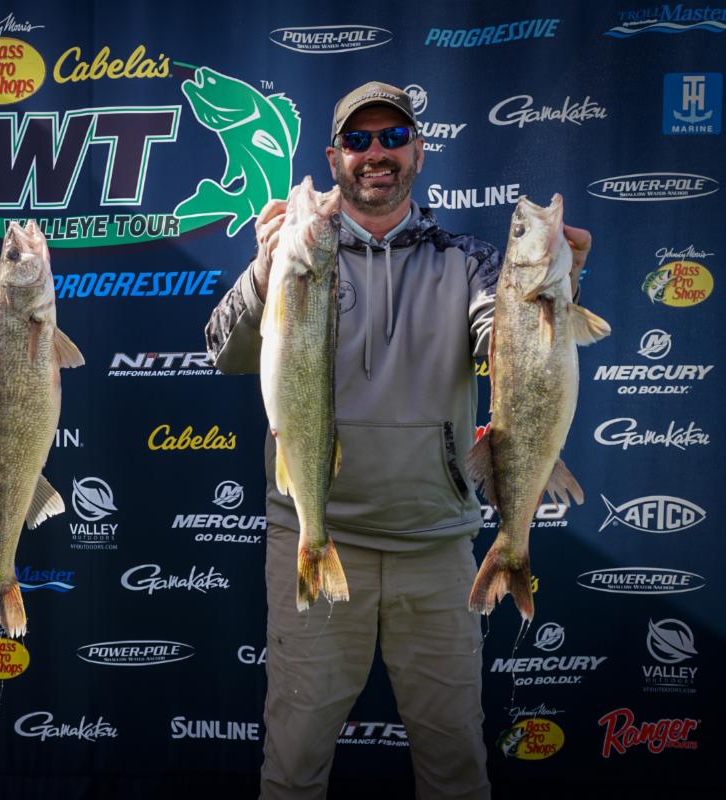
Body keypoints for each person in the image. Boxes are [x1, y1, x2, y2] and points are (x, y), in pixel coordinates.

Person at [204, 82, 591, 799]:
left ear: (418, 152)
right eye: (357, 141)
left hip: (436, 547)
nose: (375, 153)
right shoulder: (293, 251)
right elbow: (222, 352)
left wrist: (559, 286)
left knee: (456, 768)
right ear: (334, 158)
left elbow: (509, 348)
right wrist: (264, 269)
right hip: (315, 538)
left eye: (392, 138)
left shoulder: (471, 260)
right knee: (292, 766)